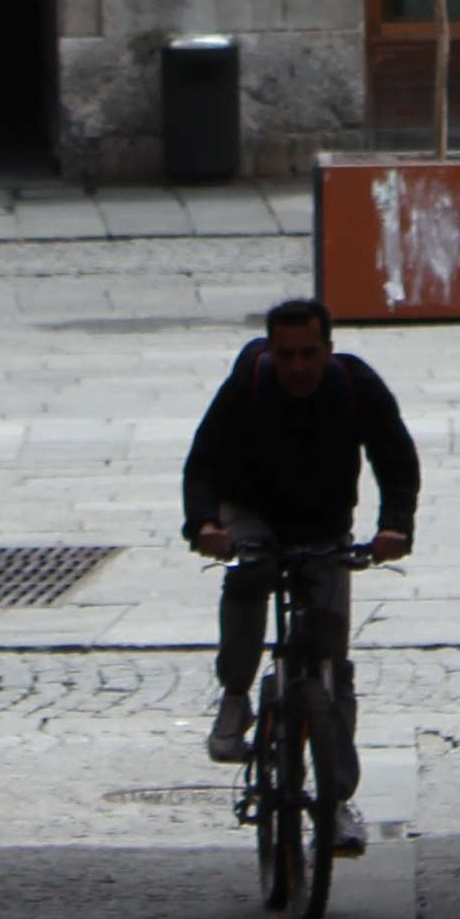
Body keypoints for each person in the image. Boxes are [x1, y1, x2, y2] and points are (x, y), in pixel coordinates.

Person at [184, 294, 417, 858]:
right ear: (270, 350)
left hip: (324, 526)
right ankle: (236, 699)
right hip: (253, 512)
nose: (296, 367)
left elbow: (396, 457)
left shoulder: (355, 385)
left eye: (308, 353)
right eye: (285, 354)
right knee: (252, 573)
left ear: (328, 351)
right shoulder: (250, 386)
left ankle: (335, 804)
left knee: (331, 662)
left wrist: (395, 526)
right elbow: (204, 462)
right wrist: (206, 524)